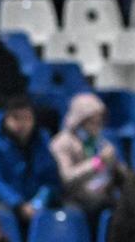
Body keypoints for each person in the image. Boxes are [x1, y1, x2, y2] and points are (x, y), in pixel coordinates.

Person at [0, 97, 60, 228]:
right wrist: (18, 204)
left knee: (67, 212)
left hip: (37, 205)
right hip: (6, 204)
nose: (22, 123)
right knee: (0, 213)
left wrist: (39, 202)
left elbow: (50, 178)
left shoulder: (42, 141)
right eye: (16, 118)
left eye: (27, 118)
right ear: (5, 118)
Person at [49, 93, 125, 223]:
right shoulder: (62, 143)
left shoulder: (102, 143)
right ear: (79, 120)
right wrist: (97, 163)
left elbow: (119, 173)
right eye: (91, 121)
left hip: (102, 198)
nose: (97, 125)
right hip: (73, 201)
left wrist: (116, 166)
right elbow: (66, 178)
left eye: (99, 121)